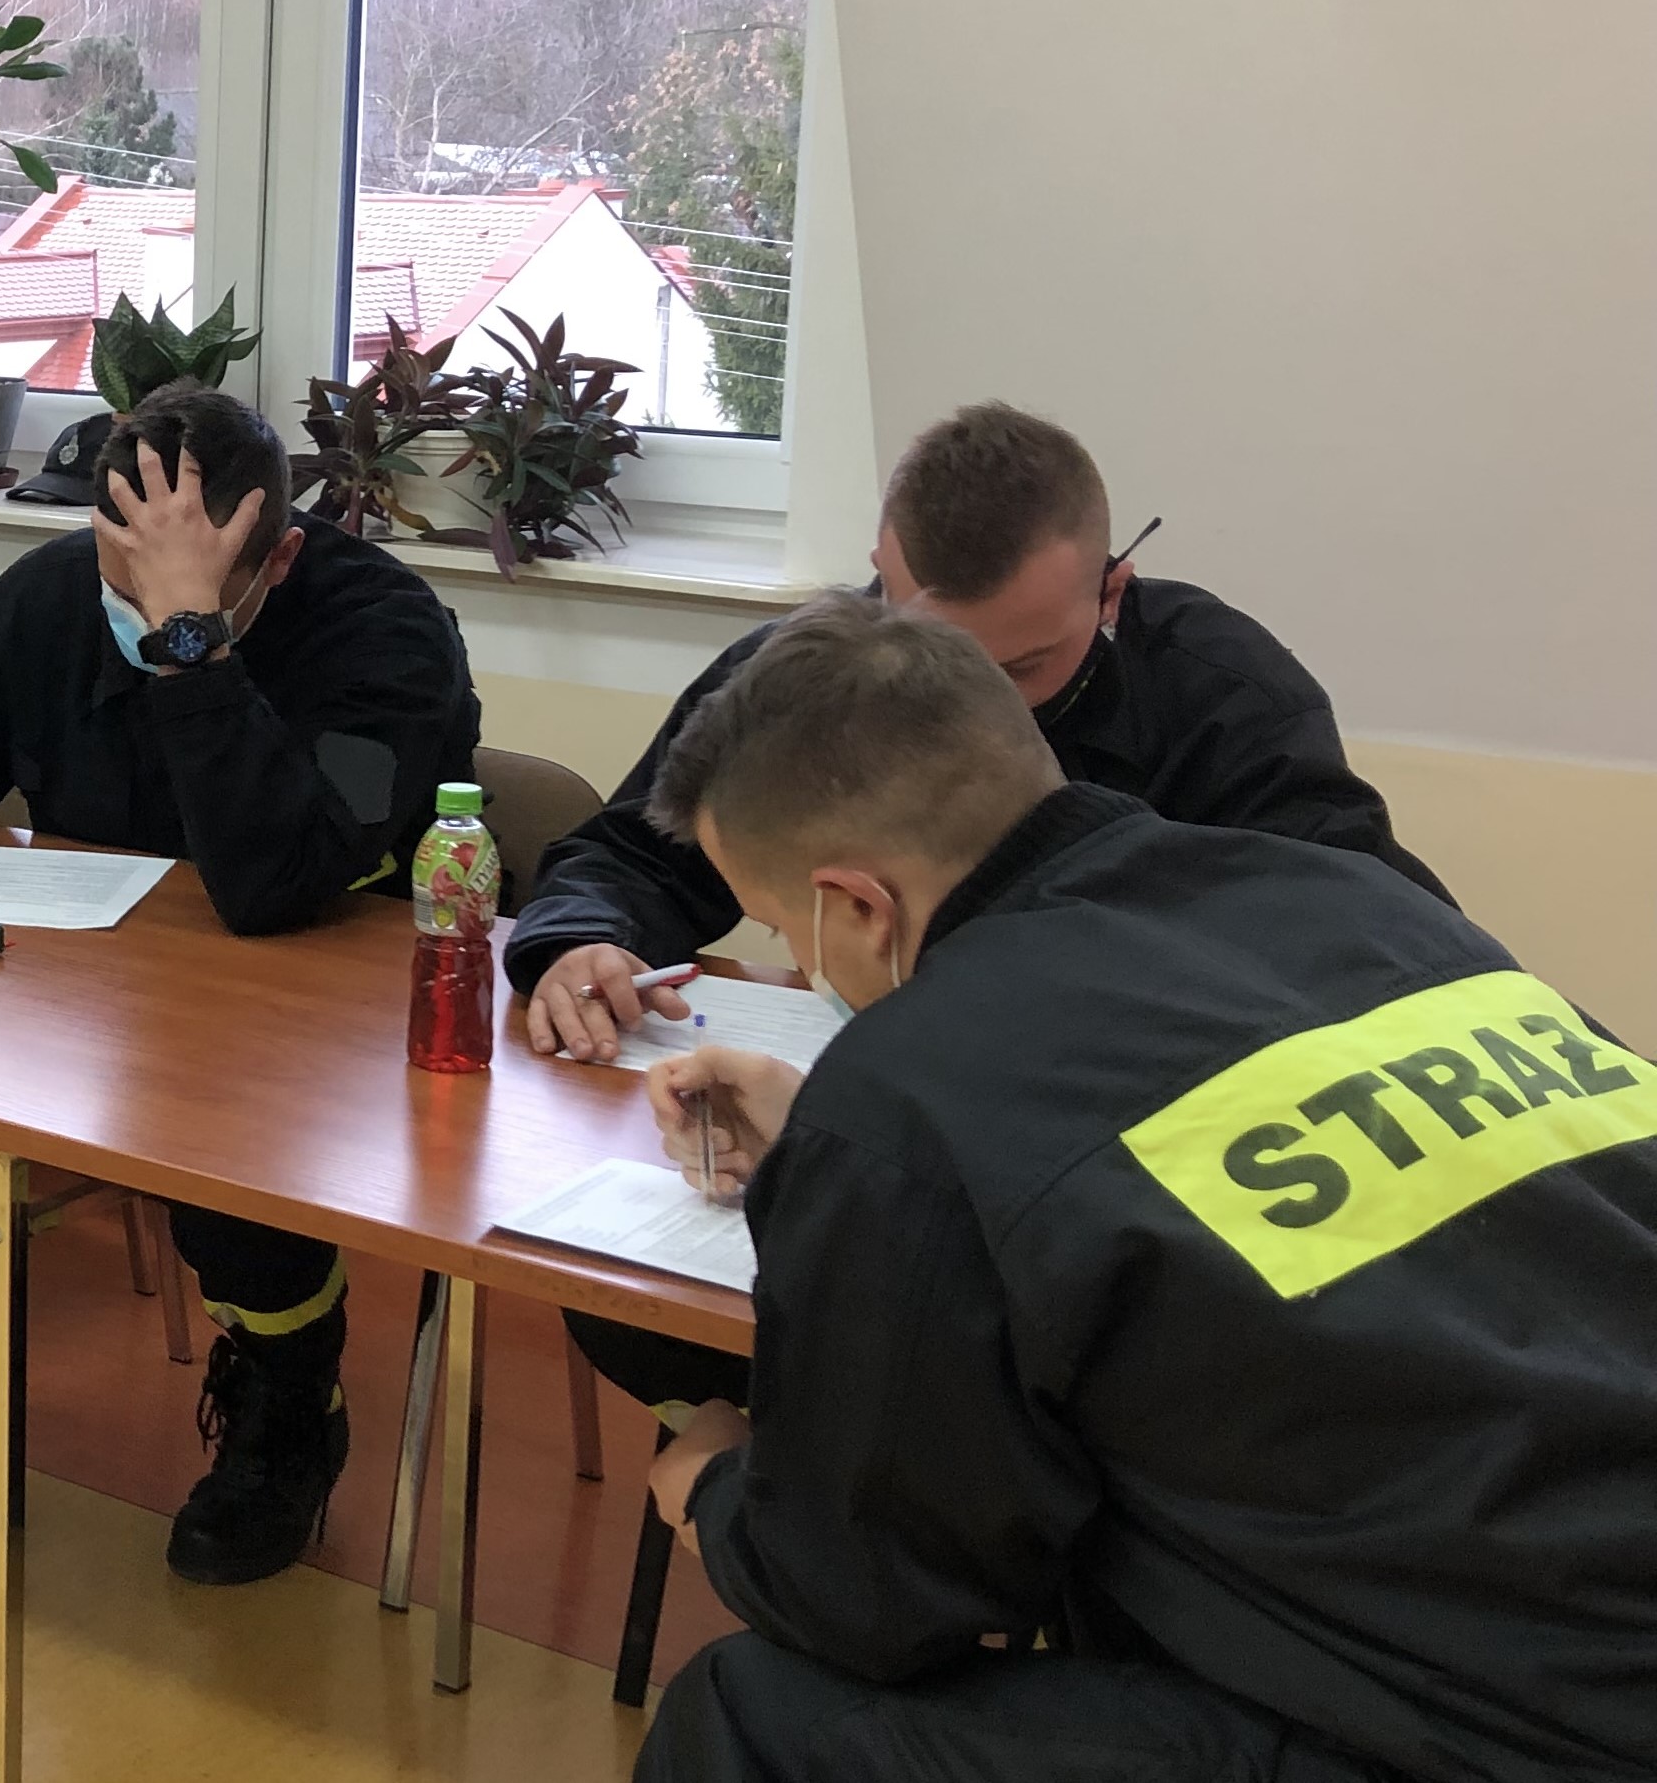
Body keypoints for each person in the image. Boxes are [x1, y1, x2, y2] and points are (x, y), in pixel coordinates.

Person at [616, 594, 1654, 1783]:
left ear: (857, 902)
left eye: (786, 929)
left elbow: (874, 1602)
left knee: (755, 1715)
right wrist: (847, 1139)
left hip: (1546, 1734)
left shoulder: (912, 1095)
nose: (804, 966)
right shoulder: (1357, 903)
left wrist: (716, 1489)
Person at [514, 402, 1449, 1420]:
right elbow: (634, 848)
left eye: (1019, 671)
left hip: (1161, 1169)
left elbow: (1355, 942)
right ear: (881, 569)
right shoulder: (817, 675)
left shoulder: (1220, 695)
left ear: (1111, 593)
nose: (962, 702)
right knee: (649, 1319)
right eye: (922, 641)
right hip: (925, 1148)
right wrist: (580, 938)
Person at [0, 384, 485, 1624]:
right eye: (118, 574)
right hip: (95, 982)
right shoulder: (59, 592)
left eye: (172, 585)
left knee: (224, 1108)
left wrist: (190, 644)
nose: (123, 609)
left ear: (278, 556)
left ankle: (290, 1394)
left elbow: (274, 880)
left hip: (316, 1009)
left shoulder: (385, 636)